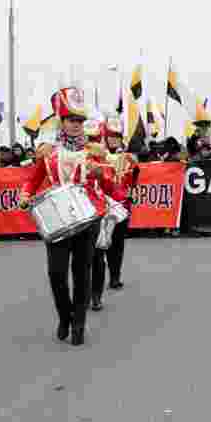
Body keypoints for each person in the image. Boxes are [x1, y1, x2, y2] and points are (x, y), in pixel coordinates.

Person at [18, 87, 117, 346]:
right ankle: (65, 315)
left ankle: (79, 324)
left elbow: (111, 185)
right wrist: (25, 195)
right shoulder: (48, 152)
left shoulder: (96, 151)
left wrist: (101, 174)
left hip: (88, 218)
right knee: (56, 274)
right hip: (57, 219)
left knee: (82, 273)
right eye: (71, 120)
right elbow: (33, 179)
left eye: (80, 120)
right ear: (61, 121)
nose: (76, 124)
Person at [91, 117, 139, 310]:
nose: (113, 140)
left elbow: (134, 178)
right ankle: (96, 286)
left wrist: (132, 192)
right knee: (101, 245)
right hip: (102, 206)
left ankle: (115, 277)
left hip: (122, 205)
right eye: (110, 136)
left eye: (117, 136)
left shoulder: (129, 158)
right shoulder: (98, 157)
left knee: (118, 244)